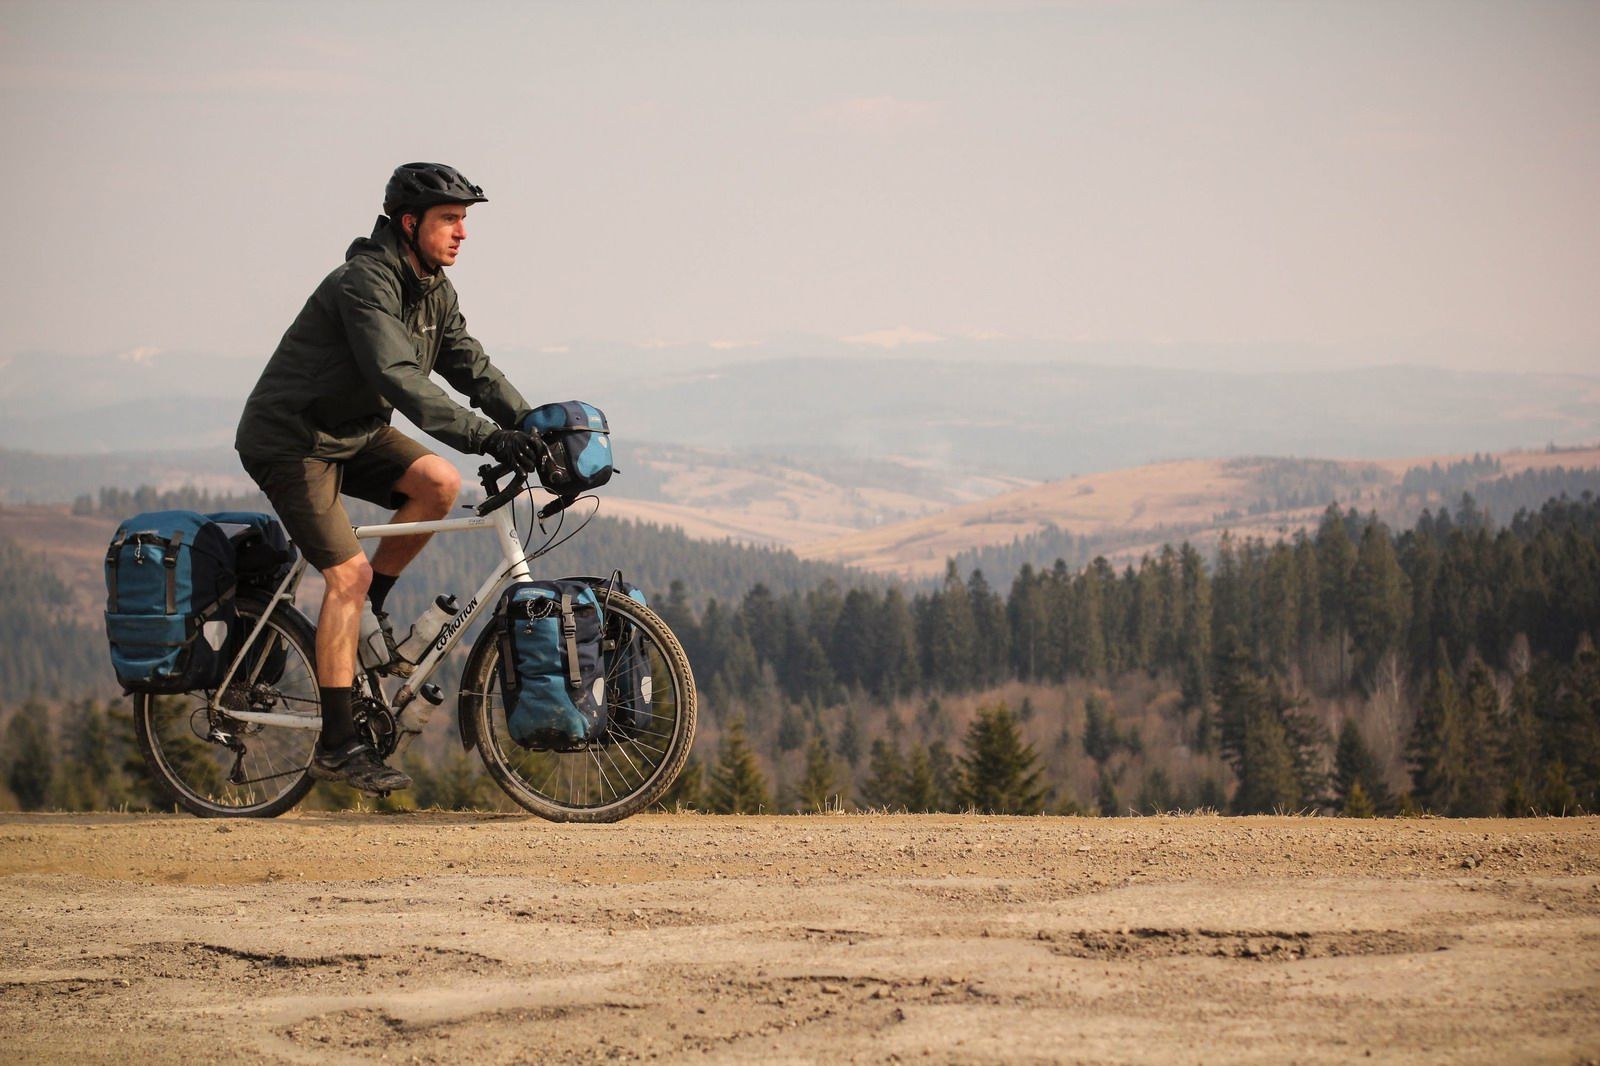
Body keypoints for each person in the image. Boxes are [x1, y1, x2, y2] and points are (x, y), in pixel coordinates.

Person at [234, 162, 545, 794]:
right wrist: (489, 437)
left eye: (464, 221)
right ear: (410, 223)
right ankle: (338, 743)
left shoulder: (434, 289)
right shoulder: (364, 283)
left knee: (438, 483)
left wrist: (535, 426)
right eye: (450, 220)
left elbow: (471, 366)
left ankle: (365, 616)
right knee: (344, 575)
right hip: (292, 440)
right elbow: (399, 377)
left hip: (352, 431)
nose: (462, 233)